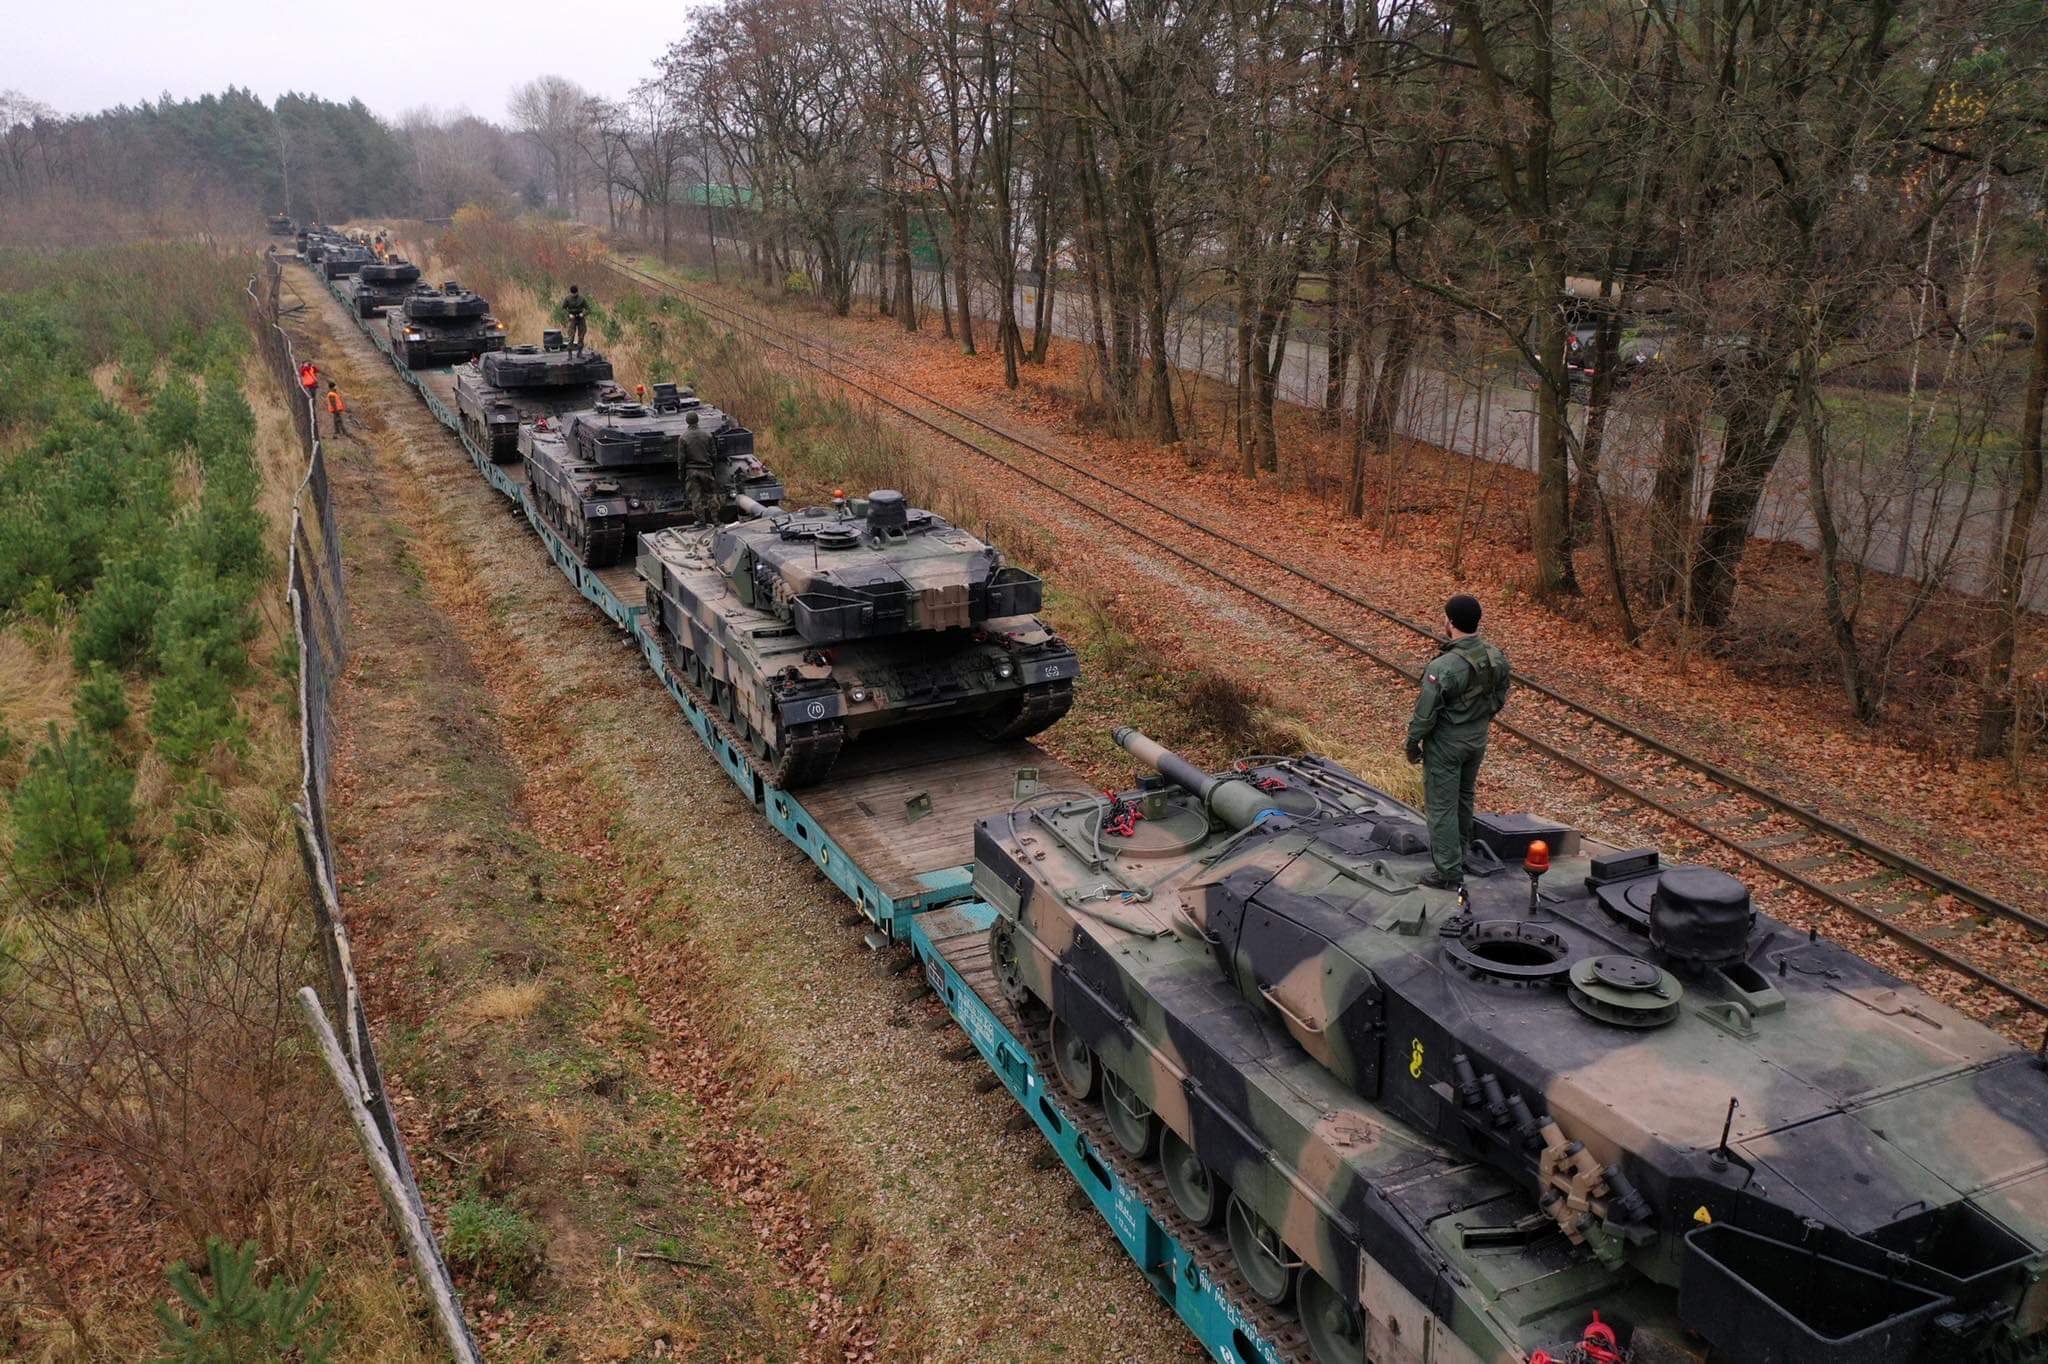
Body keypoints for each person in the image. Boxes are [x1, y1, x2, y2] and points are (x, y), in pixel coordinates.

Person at [1406, 593, 1510, 889]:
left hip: (1447, 746)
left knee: (1441, 807)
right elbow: (1499, 696)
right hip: (1477, 741)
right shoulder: (1495, 656)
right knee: (1464, 797)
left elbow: (1425, 715)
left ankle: (1448, 871)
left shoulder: (1443, 667)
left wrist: (1412, 745)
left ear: (1450, 622)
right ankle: (1460, 852)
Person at [679, 411, 719, 523]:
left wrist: (681, 474)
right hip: (707, 469)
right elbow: (714, 454)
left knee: (695, 497)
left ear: (687, 421)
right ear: (697, 420)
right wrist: (713, 469)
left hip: (692, 471)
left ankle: (701, 521)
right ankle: (715, 519)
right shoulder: (707, 435)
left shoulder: (683, 438)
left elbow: (681, 459)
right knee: (711, 495)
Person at [561, 284, 589, 352]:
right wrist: (569, 315)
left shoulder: (582, 299)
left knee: (581, 336)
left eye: (575, 293)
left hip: (580, 318)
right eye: (573, 294)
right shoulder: (567, 299)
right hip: (572, 318)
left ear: (577, 292)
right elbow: (563, 309)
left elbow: (588, 309)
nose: (574, 295)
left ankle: (580, 352)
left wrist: (583, 314)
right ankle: (569, 353)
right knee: (571, 336)